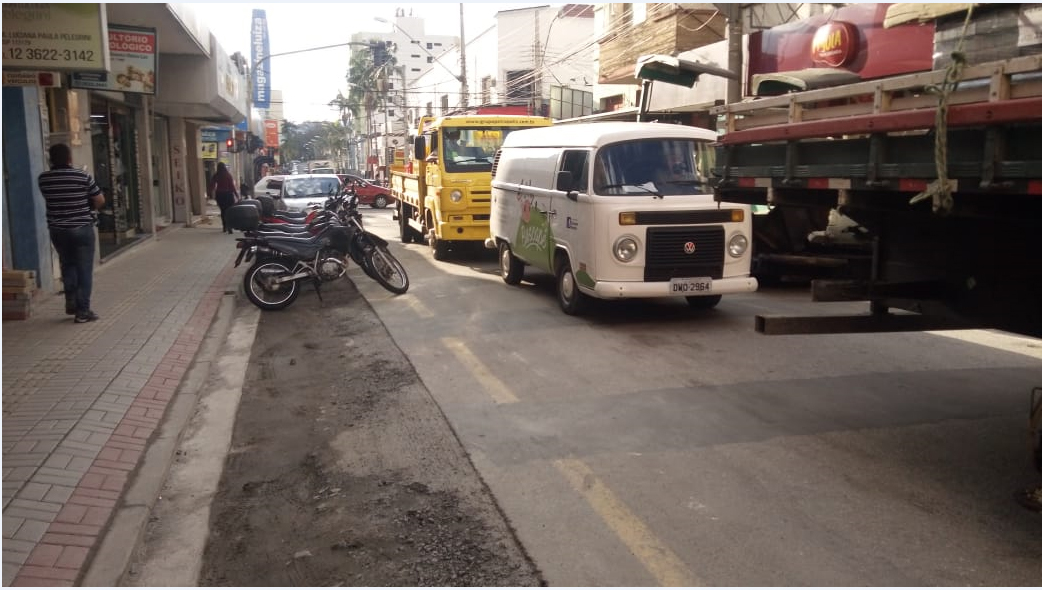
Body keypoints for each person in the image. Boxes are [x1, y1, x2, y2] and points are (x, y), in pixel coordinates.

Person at [37, 143, 105, 323]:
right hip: (81, 228)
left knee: (67, 265)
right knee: (84, 269)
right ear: (69, 158)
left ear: (50, 159)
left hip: (58, 230)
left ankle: (71, 303)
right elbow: (99, 200)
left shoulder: (43, 179)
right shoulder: (82, 176)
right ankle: (83, 311)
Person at [207, 162, 239, 233]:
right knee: (230, 211)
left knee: (223, 211)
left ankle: (224, 226)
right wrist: (236, 195)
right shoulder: (228, 175)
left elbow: (212, 185)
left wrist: (209, 194)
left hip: (220, 195)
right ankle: (230, 226)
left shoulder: (216, 175)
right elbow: (232, 187)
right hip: (228, 195)